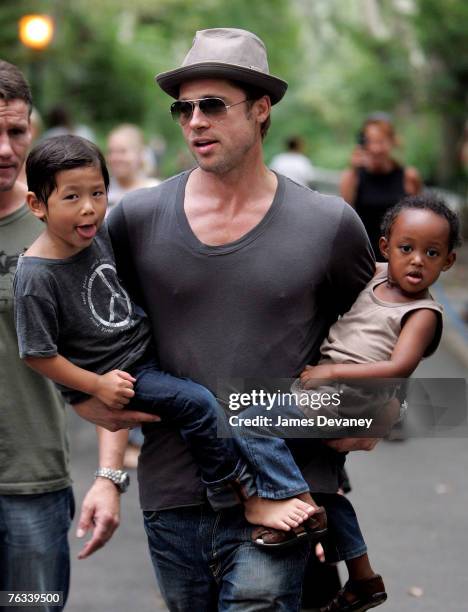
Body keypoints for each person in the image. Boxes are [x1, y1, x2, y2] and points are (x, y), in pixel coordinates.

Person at [71, 27, 381, 611]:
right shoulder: (135, 218)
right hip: (173, 493)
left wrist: (368, 414)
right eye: (183, 108)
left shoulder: (328, 224)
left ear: (261, 110)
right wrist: (109, 476)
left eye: (212, 105)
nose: (194, 122)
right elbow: (111, 351)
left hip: (284, 491)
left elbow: (380, 330)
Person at [14, 133, 325, 539]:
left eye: (98, 193)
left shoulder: (97, 236)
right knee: (196, 404)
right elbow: (36, 353)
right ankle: (240, 493)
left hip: (144, 350)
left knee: (225, 393)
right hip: (121, 374)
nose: (89, 208)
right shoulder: (36, 275)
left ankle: (295, 488)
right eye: (71, 198)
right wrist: (96, 386)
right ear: (37, 204)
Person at [239, 194, 459, 611]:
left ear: (447, 261)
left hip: (345, 401)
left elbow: (399, 366)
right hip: (329, 397)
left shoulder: (422, 312)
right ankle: (364, 577)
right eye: (406, 248)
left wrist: (331, 372)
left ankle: (292, 503)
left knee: (248, 418)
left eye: (431, 253)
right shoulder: (376, 276)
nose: (416, 261)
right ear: (385, 248)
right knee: (328, 493)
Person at [0, 60, 112, 611]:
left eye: (16, 131)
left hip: (32, 486)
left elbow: (113, 345)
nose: (4, 148)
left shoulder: (65, 224)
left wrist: (110, 473)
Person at [340, 113, 422, 261]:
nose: (375, 149)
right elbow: (346, 217)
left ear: (392, 142)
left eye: (381, 142)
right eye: (370, 142)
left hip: (399, 260)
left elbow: (418, 219)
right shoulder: (352, 176)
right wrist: (353, 171)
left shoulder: (409, 177)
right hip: (364, 257)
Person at [106, 123, 160, 210]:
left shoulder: (154, 190)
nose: (114, 158)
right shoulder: (102, 191)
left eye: (122, 151)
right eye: (111, 152)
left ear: (139, 154)